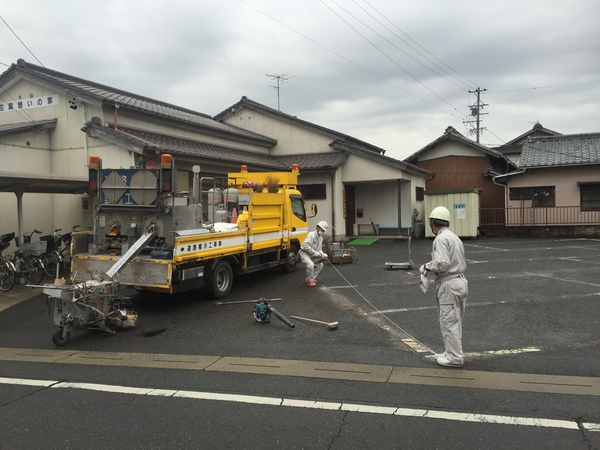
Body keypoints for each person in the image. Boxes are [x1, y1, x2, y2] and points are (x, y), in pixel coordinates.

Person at [420, 206, 468, 368]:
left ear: (434, 222)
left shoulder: (440, 239)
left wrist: (426, 267)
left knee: (448, 322)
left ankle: (455, 357)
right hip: (460, 281)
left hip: (449, 283)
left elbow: (441, 263)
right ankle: (450, 352)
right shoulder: (454, 237)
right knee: (455, 320)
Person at [300, 220, 329, 287]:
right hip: (304, 253)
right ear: (317, 228)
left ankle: (309, 278)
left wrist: (323, 254)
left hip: (312, 255)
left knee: (320, 265)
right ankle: (309, 282)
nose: (322, 232)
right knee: (310, 265)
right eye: (322, 230)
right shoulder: (311, 235)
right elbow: (305, 246)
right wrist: (315, 253)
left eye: (323, 231)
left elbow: (319, 249)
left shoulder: (320, 238)